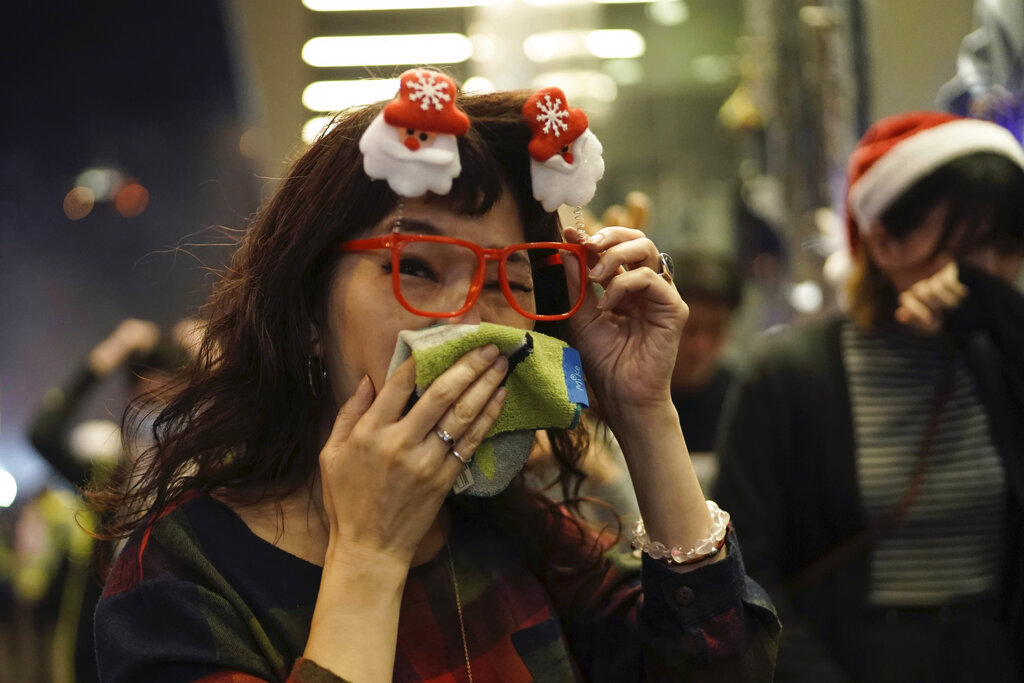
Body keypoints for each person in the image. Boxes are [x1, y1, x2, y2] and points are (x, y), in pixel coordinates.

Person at [89, 71, 780, 682]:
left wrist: (643, 411)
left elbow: (722, 665)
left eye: (511, 278)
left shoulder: (518, 523)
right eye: (416, 267)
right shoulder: (181, 575)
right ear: (305, 308)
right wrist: (370, 554)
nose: (472, 322)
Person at [714, 111, 1024, 682]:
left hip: (991, 651)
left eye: (1007, 249)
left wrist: (1004, 331)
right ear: (883, 241)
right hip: (864, 656)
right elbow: (746, 566)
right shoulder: (788, 377)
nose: (991, 273)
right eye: (968, 248)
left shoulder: (1000, 360)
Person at [25, 317, 194, 683]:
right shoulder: (107, 478)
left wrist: (212, 358)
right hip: (101, 656)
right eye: (145, 400)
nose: (155, 415)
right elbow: (43, 433)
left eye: (168, 399)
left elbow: (278, 444)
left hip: (181, 650)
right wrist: (108, 354)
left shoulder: (209, 474)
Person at [668, 249, 744, 458]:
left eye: (716, 329)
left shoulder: (742, 401)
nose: (700, 346)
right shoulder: (629, 395)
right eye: (689, 328)